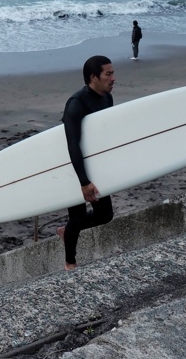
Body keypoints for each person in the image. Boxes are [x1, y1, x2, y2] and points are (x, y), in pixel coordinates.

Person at [57, 55, 115, 270]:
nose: (113, 78)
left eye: (112, 73)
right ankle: (70, 263)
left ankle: (67, 231)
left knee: (105, 215)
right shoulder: (76, 104)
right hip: (71, 167)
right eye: (108, 74)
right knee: (77, 215)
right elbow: (73, 144)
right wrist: (83, 181)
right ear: (93, 77)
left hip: (94, 166)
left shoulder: (106, 98)